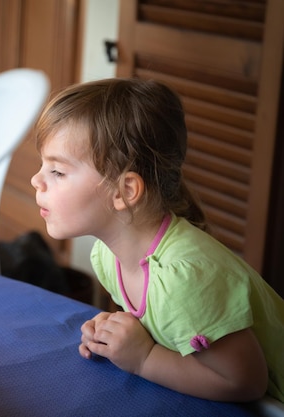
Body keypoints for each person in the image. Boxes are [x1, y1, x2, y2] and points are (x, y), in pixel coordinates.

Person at [30, 78, 284, 403]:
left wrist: (143, 359)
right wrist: (115, 335)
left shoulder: (185, 280)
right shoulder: (106, 257)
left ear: (125, 191)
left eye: (58, 172)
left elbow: (245, 382)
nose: (36, 180)